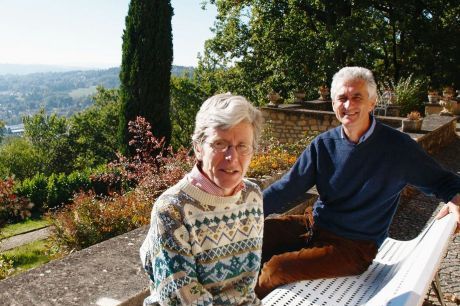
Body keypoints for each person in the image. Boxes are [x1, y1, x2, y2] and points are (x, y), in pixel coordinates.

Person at [256, 66, 460, 298]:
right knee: (255, 237)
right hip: (314, 225)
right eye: (342, 98)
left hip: (354, 247)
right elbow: (286, 187)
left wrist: (455, 197)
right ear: (333, 103)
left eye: (357, 97)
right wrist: (247, 213)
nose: (348, 105)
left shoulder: (398, 148)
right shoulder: (324, 145)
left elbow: (442, 180)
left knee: (276, 269)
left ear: (372, 102)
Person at [140, 93, 264, 305]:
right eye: (219, 144)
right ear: (198, 148)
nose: (232, 157)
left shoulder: (252, 195)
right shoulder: (172, 210)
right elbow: (182, 301)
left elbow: (246, 291)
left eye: (242, 146)